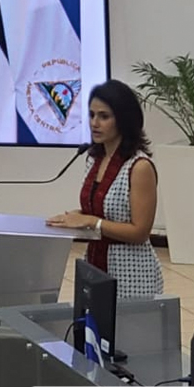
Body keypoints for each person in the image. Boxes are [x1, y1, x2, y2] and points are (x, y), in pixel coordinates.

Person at [46, 81, 163, 299]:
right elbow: (99, 211)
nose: (94, 123)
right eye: (91, 115)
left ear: (123, 119)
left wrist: (91, 222)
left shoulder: (139, 167)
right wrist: (72, 218)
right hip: (95, 267)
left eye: (104, 116)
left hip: (132, 273)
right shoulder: (94, 159)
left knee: (123, 333)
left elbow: (140, 232)